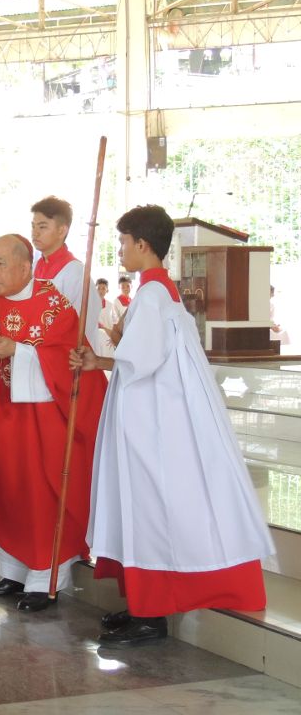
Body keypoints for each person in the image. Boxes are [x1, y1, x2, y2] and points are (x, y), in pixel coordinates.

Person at [70, 205, 275, 647]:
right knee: (142, 508)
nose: (120, 250)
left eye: (124, 242)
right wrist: (102, 359)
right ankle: (142, 606)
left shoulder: (153, 296)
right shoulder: (158, 293)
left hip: (153, 425)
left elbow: (141, 360)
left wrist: (103, 357)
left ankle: (152, 615)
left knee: (150, 511)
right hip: (152, 418)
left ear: (143, 245)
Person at [0, 234, 107, 612]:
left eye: (0, 264)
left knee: (39, 494)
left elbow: (69, 358)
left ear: (25, 267)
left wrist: (21, 351)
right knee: (6, 490)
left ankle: (45, 579)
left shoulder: (53, 306)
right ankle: (12, 571)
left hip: (43, 424)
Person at [30, 196, 101, 352]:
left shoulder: (76, 273)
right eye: (33, 226)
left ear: (62, 230)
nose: (35, 233)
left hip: (62, 357)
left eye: (42, 227)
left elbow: (83, 326)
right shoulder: (33, 268)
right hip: (35, 354)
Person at [95, 278, 117, 358]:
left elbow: (115, 322)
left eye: (103, 288)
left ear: (107, 290)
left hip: (109, 338)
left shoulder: (111, 305)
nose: (101, 291)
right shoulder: (90, 304)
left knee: (108, 359)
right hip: (96, 335)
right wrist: (104, 329)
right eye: (98, 288)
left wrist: (114, 336)